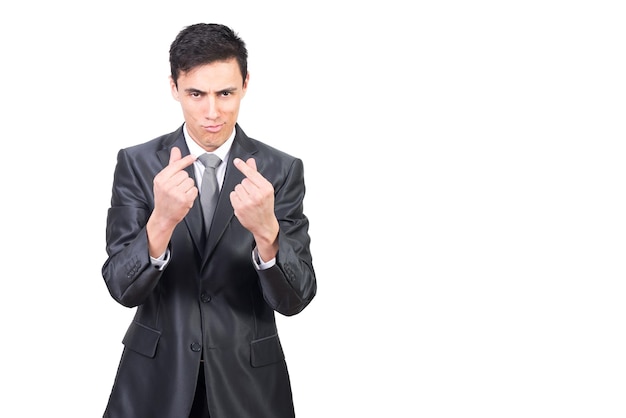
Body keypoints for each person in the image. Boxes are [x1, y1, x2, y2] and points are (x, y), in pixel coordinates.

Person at [101, 23, 317, 418]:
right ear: (174, 87)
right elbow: (120, 286)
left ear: (246, 84)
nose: (213, 112)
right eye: (196, 94)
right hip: (155, 382)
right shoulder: (136, 164)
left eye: (226, 93)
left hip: (248, 387)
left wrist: (267, 233)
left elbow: (296, 299)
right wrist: (160, 223)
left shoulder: (280, 170)